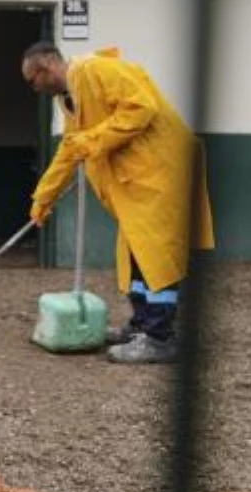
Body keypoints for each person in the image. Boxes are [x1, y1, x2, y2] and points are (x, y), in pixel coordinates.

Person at [20, 42, 214, 364]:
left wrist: (92, 139)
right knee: (138, 253)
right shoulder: (69, 99)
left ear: (46, 68)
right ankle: (141, 327)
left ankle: (159, 338)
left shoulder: (98, 70)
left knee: (157, 255)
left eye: (32, 80)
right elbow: (70, 149)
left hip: (162, 174)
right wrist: (42, 198)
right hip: (136, 185)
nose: (33, 88)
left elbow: (142, 107)